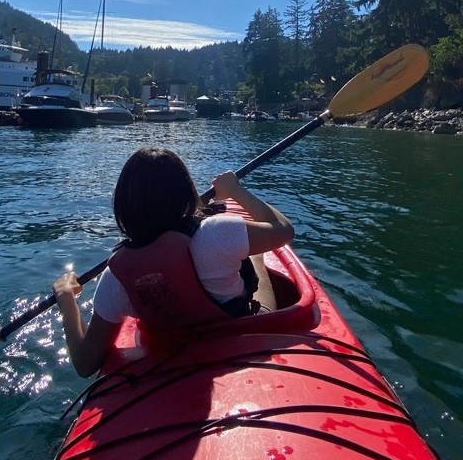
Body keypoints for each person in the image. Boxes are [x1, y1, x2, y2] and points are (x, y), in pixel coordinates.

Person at [53, 147, 294, 377]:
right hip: (241, 332)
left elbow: (86, 364)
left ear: (123, 206)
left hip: (170, 350)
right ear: (187, 193)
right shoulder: (217, 231)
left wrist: (66, 299)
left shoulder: (116, 277)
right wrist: (235, 191)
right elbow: (284, 230)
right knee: (255, 255)